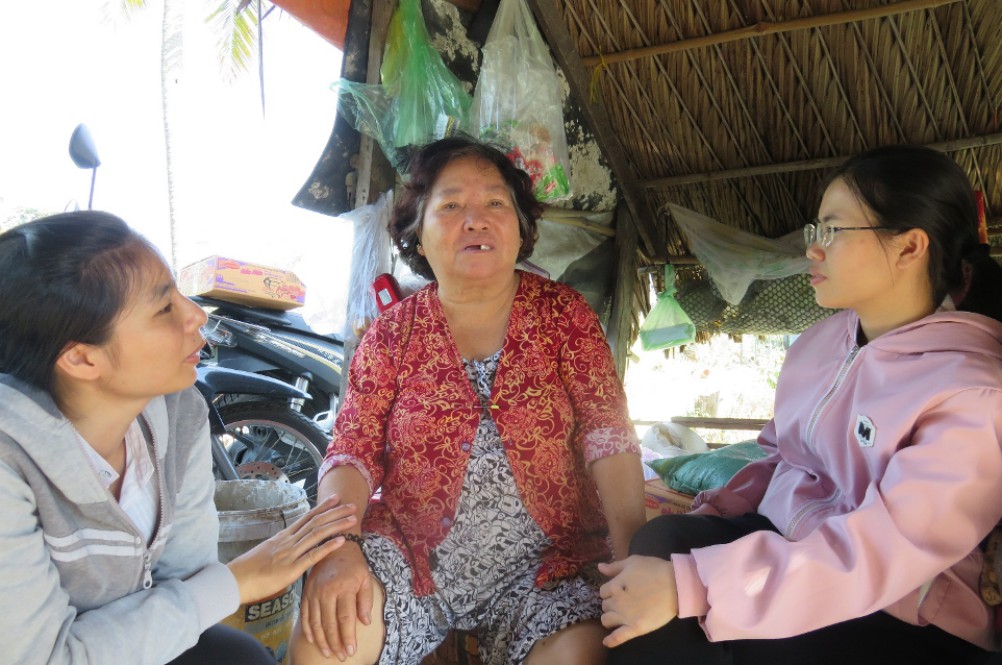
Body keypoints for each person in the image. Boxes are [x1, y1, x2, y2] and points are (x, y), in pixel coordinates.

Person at [600, 144, 1002, 665]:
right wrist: (716, 513)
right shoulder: (822, 343)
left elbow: (883, 552)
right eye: (815, 232)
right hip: (795, 540)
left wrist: (693, 586)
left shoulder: (971, 392)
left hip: (903, 605)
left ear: (909, 248)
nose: (812, 249)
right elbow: (781, 453)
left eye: (832, 231)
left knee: (672, 621)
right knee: (661, 542)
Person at [289, 135, 646, 665]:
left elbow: (608, 436)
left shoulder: (564, 316)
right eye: (451, 204)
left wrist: (635, 557)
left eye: (495, 203)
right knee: (326, 642)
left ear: (521, 227)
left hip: (550, 565)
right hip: (410, 555)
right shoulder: (391, 335)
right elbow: (352, 452)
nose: (474, 219)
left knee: (580, 657)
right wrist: (338, 550)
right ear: (419, 232)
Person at [0, 211, 359, 665]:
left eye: (178, 293)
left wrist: (215, 588)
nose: (195, 314)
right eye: (163, 307)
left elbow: (190, 582)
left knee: (239, 656)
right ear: (82, 360)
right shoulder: (10, 463)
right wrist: (239, 581)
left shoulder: (178, 411)